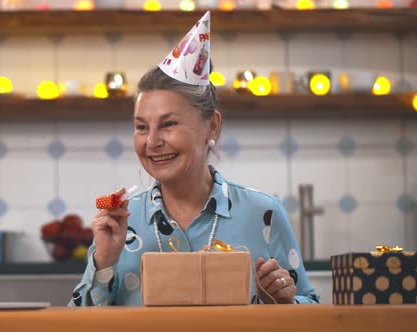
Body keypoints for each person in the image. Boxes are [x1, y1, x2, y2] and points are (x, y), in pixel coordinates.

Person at [68, 12, 319, 307]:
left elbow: (311, 310)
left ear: (211, 126)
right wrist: (104, 262)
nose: (152, 142)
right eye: (141, 127)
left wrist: (286, 301)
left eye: (169, 124)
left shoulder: (264, 213)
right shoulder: (122, 223)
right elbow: (79, 321)